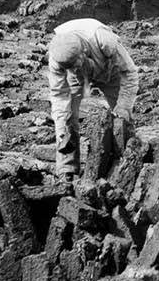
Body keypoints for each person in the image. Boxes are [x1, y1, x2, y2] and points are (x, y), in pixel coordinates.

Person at [48, 18, 139, 179]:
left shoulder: (103, 39)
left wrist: (123, 105)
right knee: (67, 119)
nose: (74, 68)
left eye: (76, 63)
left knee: (123, 117)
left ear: (83, 51)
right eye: (70, 67)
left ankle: (130, 159)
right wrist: (62, 129)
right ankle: (66, 168)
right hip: (76, 79)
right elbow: (58, 95)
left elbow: (130, 72)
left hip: (109, 72)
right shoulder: (57, 58)